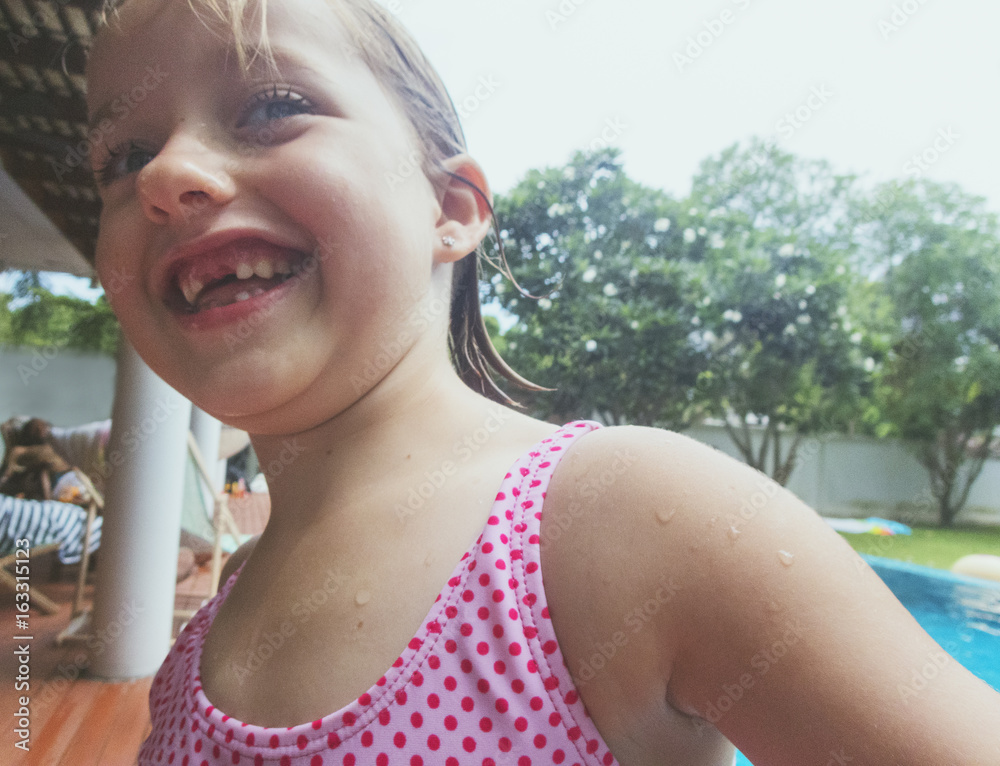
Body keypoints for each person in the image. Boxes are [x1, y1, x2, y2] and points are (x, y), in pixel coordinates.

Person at [84, 0, 1000, 763]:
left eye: (273, 106)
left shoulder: (620, 521)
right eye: (123, 156)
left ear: (448, 209)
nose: (168, 173)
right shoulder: (228, 605)